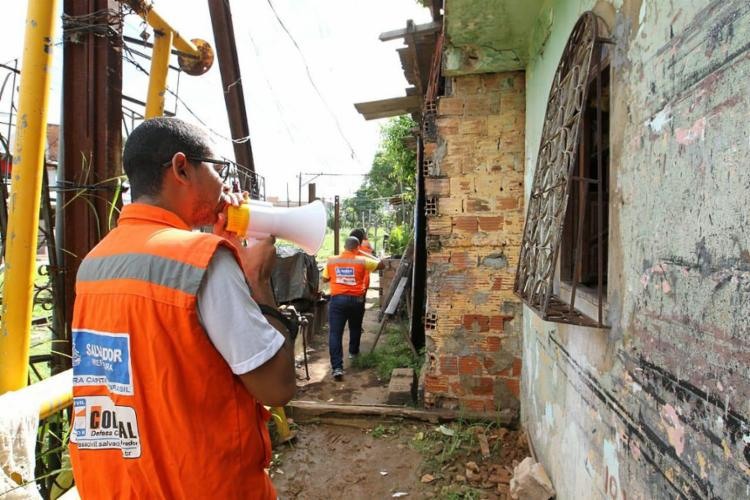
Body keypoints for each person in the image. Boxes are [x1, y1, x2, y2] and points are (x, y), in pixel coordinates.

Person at [69, 117, 296, 499]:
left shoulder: (95, 261)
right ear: (181, 168)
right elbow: (277, 387)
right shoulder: (202, 261)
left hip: (116, 487)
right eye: (217, 168)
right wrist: (256, 280)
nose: (224, 184)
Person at [322, 236, 384, 380]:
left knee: (335, 333)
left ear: (344, 246)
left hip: (337, 301)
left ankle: (337, 368)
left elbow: (325, 279)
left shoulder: (332, 260)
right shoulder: (362, 260)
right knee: (355, 327)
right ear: (357, 248)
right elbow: (382, 265)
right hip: (357, 300)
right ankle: (353, 353)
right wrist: (362, 253)